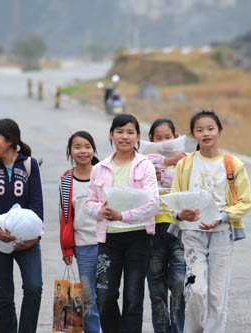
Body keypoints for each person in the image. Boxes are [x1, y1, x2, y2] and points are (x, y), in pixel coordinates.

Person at [171, 110, 251, 333]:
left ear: (219, 131)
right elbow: (175, 198)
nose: (206, 133)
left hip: (222, 235)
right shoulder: (185, 164)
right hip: (192, 234)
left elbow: (245, 202)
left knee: (217, 297)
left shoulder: (233, 164)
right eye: (199, 130)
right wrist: (180, 214)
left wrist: (222, 217)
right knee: (196, 291)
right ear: (192, 134)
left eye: (210, 129)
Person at [85, 114, 159, 333]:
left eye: (130, 132)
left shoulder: (145, 165)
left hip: (139, 237)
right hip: (109, 239)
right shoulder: (100, 168)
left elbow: (153, 203)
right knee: (105, 296)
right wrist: (101, 210)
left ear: (137, 137)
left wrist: (122, 216)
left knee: (133, 299)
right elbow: (89, 203)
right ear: (111, 134)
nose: (124, 137)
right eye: (119, 131)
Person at [0, 118, 43, 333]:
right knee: (4, 297)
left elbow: (36, 203)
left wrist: (34, 237)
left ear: (9, 140)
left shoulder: (29, 164)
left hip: (27, 240)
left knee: (34, 288)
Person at [146, 119, 187, 333]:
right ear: (151, 139)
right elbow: (146, 176)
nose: (163, 142)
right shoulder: (145, 159)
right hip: (152, 231)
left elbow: (181, 181)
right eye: (158, 138)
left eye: (168, 137)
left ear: (176, 136)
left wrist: (166, 167)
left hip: (178, 228)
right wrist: (170, 162)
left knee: (180, 281)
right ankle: (161, 329)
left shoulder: (184, 160)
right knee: (156, 288)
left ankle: (178, 328)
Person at [59, 130, 101, 333]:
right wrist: (66, 249)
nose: (83, 151)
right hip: (83, 246)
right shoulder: (66, 181)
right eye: (77, 147)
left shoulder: (104, 173)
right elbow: (66, 217)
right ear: (70, 152)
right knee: (88, 297)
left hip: (108, 243)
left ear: (93, 149)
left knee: (108, 296)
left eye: (87, 146)